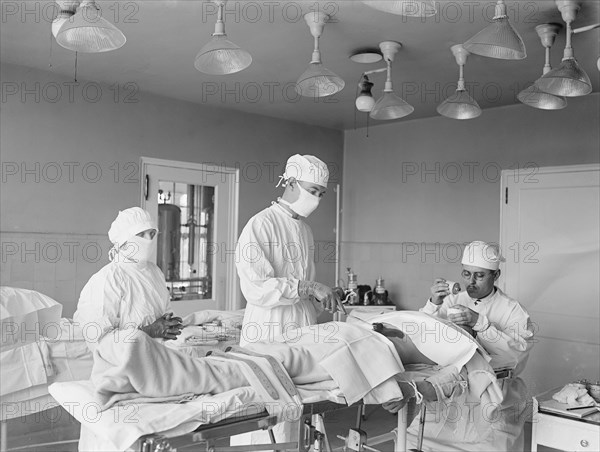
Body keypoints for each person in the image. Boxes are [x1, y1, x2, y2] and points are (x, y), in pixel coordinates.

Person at [412, 240, 534, 452]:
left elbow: (516, 354)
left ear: (496, 276)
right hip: (454, 394)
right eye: (466, 274)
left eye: (479, 275)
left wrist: (481, 323)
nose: (471, 282)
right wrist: (433, 304)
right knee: (419, 441)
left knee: (491, 446)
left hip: (495, 394)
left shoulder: (512, 310)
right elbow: (422, 335)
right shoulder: (451, 300)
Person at [235, 154, 340, 346]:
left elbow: (298, 292)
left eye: (321, 194)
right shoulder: (261, 224)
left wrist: (321, 297)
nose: (316, 199)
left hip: (303, 325)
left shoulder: (305, 230)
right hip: (270, 327)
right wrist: (309, 287)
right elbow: (256, 288)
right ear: (291, 183)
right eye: (313, 191)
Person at [74, 207, 183, 352]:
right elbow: (100, 342)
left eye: (151, 234)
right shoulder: (108, 279)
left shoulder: (155, 272)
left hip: (158, 358)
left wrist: (170, 325)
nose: (148, 240)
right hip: (123, 368)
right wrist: (149, 331)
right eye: (140, 235)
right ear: (124, 240)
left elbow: (164, 313)